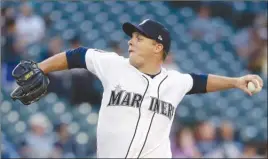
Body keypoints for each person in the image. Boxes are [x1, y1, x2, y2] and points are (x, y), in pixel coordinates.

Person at [13, 19, 263, 158]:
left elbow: (200, 81)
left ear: (158, 47)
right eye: (132, 37)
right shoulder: (113, 64)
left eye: (139, 38)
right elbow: (77, 55)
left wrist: (235, 81)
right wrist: (41, 67)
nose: (131, 41)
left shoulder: (174, 82)